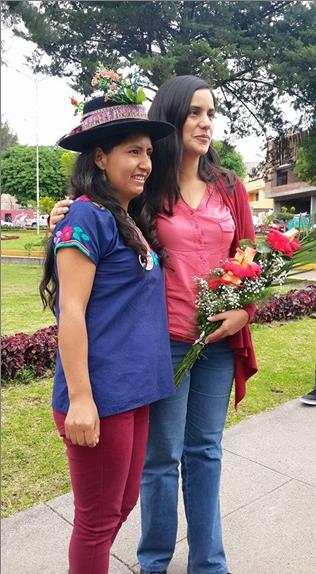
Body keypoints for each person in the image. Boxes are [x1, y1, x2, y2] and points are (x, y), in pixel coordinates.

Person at [50, 75, 257, 574]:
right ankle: (154, 561)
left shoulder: (229, 187)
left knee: (205, 451)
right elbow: (101, 219)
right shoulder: (146, 187)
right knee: (160, 460)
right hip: (160, 344)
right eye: (194, 113)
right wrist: (65, 211)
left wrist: (244, 311)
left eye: (211, 114)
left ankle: (209, 564)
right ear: (172, 116)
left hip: (217, 341)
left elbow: (251, 254)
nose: (205, 124)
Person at [40, 69, 176, 574]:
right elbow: (70, 311)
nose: (145, 163)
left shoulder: (127, 220)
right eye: (132, 152)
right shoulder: (86, 217)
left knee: (120, 508)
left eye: (147, 152)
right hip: (98, 395)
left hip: (133, 391)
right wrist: (80, 399)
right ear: (100, 157)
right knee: (97, 521)